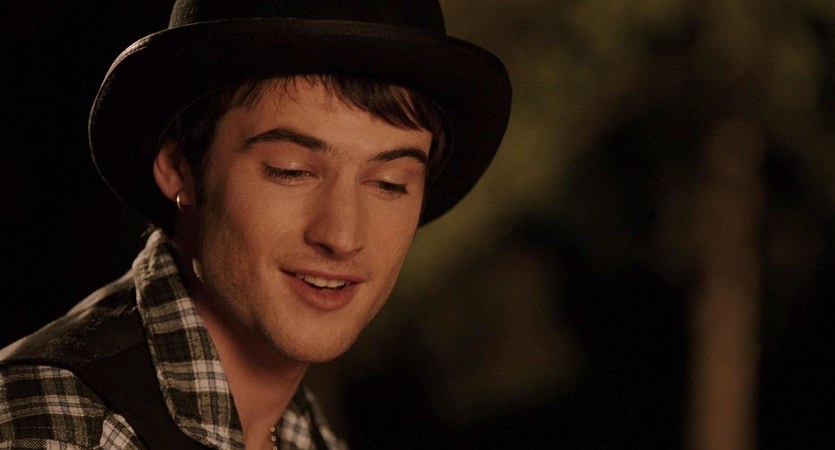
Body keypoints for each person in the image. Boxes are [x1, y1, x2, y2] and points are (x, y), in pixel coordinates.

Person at [0, 1, 511, 449]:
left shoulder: (308, 435)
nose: (342, 236)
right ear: (180, 168)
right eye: (291, 171)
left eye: (390, 183)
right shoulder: (62, 427)